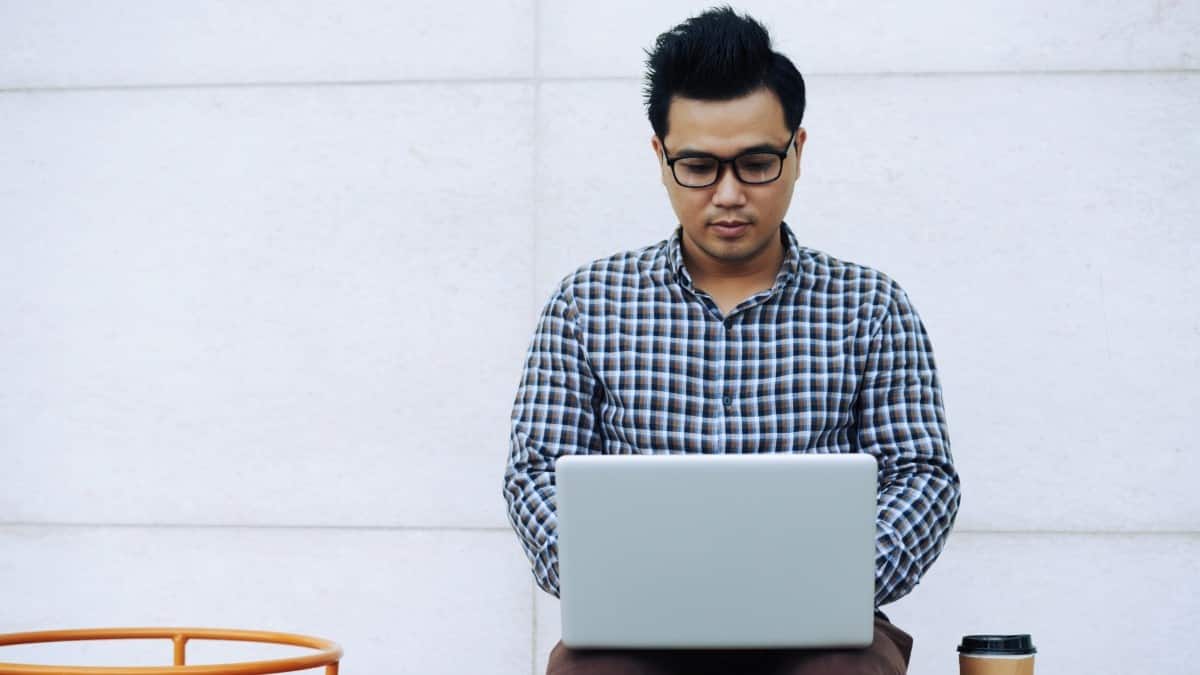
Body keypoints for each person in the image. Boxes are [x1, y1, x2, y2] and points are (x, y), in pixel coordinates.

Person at [503, 7, 961, 674]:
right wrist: (613, 578)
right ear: (660, 158)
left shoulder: (870, 305)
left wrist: (832, 579)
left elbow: (922, 474)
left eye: (756, 163)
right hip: (638, 623)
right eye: (698, 166)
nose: (727, 194)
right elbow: (535, 470)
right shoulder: (587, 302)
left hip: (820, 630)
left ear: (797, 152)